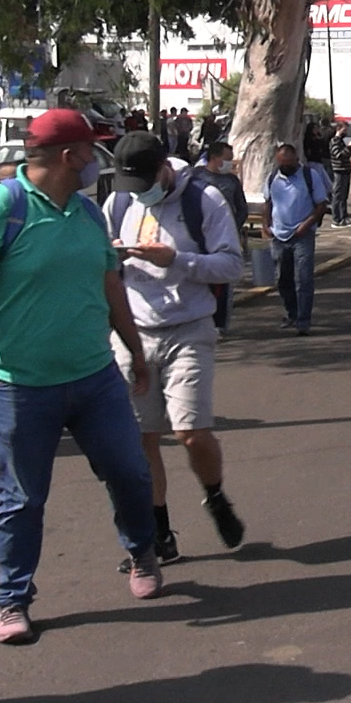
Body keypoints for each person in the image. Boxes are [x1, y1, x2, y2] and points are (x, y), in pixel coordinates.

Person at [0, 109, 165, 646]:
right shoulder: (1, 207)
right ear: (70, 156)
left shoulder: (87, 214)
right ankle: (12, 599)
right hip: (19, 385)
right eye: (91, 151)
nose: (96, 161)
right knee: (21, 498)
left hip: (95, 377)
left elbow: (109, 284)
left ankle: (141, 551)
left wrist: (134, 349)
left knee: (130, 473)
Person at [104, 132, 248, 570]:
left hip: (189, 330)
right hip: (133, 333)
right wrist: (111, 258)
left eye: (145, 183)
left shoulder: (204, 200)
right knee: (141, 438)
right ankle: (158, 533)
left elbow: (232, 265)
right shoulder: (119, 203)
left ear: (164, 169)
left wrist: (177, 260)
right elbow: (100, 259)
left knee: (191, 432)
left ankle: (214, 493)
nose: (139, 192)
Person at [265, 141, 329, 334]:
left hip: (302, 235)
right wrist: (265, 224)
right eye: (282, 164)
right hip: (279, 236)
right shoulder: (273, 177)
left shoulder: (310, 176)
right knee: (282, 279)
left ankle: (303, 320)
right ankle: (291, 313)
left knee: (303, 279)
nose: (286, 168)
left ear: (296, 160)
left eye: (289, 164)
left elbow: (321, 205)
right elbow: (267, 202)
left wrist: (306, 225)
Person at [193, 142, 249, 334]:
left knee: (223, 282)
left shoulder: (232, 181)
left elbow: (242, 208)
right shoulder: (196, 178)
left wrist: (232, 228)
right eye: (227, 159)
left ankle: (220, 323)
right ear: (214, 158)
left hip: (225, 239)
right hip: (200, 238)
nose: (230, 163)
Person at [326, 118, 351, 228]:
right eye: (345, 130)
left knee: (343, 196)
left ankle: (344, 217)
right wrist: (349, 148)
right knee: (338, 195)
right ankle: (336, 219)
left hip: (345, 171)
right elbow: (338, 155)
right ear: (339, 129)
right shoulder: (335, 141)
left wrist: (350, 149)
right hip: (339, 171)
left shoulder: (340, 141)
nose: (346, 132)